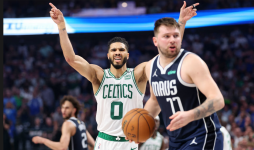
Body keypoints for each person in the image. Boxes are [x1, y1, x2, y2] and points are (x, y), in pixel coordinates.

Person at [48, 1, 198, 149]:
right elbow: (71, 59)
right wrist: (61, 26)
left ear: (127, 54)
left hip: (129, 142)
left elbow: (166, 58)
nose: (117, 52)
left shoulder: (138, 74)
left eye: (121, 50)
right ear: (108, 55)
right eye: (114, 50)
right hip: (104, 141)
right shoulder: (99, 76)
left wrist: (181, 23)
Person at [144, 17, 225, 150]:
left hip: (202, 136)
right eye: (166, 36)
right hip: (175, 140)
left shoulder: (191, 62)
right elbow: (155, 101)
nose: (172, 40)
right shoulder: (150, 66)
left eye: (176, 35)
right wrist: (139, 125)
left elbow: (218, 100)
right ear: (155, 41)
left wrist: (191, 115)